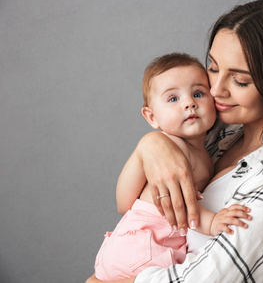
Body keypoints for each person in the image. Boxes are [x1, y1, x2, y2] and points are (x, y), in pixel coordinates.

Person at [87, 0, 263, 283]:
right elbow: (130, 202)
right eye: (213, 67)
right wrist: (151, 144)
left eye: (240, 81)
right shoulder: (219, 138)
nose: (215, 90)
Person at [93, 53, 252, 281]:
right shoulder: (173, 148)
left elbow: (124, 205)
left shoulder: (209, 148)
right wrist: (213, 222)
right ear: (152, 117)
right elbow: (173, 204)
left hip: (133, 247)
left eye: (198, 93)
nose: (189, 103)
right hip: (145, 249)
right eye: (173, 99)